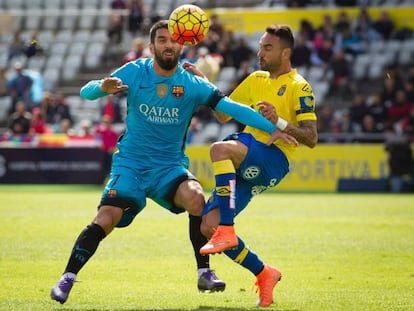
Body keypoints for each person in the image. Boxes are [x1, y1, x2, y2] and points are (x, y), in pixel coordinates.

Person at [50, 20, 296, 305]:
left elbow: (231, 108)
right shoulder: (134, 71)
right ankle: (67, 278)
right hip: (131, 164)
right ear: (152, 46)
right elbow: (86, 93)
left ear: (182, 44)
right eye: (162, 40)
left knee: (195, 198)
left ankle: (204, 272)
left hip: (169, 167)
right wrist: (100, 87)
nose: (169, 45)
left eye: (173, 41)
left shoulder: (191, 83)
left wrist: (273, 128)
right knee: (106, 219)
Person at [198, 25, 318, 307]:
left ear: (285, 52)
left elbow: (311, 138)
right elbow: (222, 115)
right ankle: (265, 273)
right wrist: (204, 81)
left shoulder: (299, 86)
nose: (260, 52)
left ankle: (227, 228)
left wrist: (279, 121)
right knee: (208, 226)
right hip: (250, 159)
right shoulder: (255, 79)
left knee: (219, 149)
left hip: (274, 158)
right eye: (261, 46)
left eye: (268, 48)